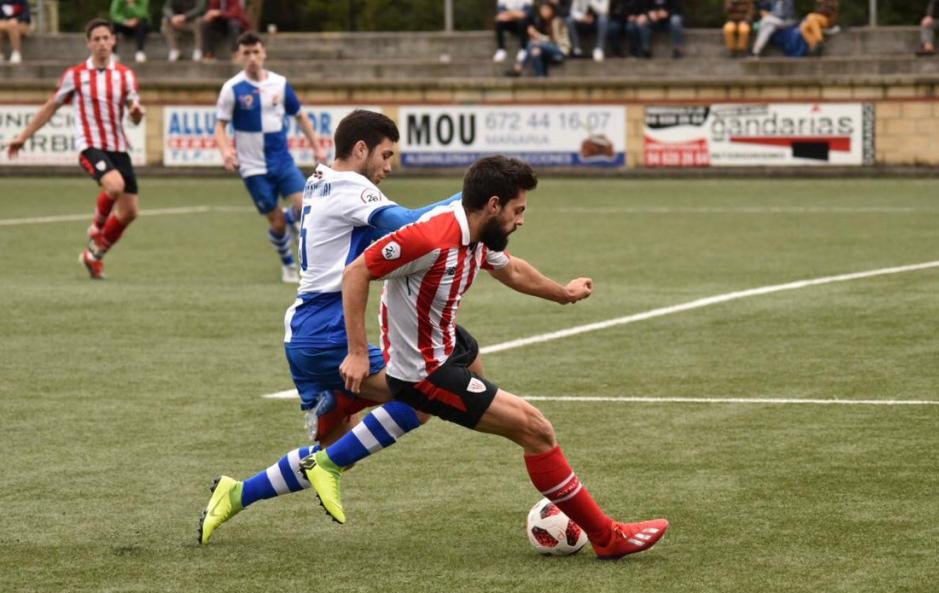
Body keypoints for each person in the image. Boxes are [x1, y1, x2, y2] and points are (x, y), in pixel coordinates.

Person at [301, 155, 670, 560]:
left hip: (445, 342)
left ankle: (345, 406)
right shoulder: (430, 237)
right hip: (425, 372)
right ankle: (607, 537)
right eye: (518, 210)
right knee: (535, 429)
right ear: (493, 205)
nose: (521, 220)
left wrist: (563, 294)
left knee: (476, 362)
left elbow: (510, 270)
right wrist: (357, 351)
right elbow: (357, 272)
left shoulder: (480, 235)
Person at [198, 110, 462, 545]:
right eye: (385, 155)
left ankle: (237, 493)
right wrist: (468, 199)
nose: (388, 167)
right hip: (328, 330)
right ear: (361, 149)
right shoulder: (350, 186)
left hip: (302, 332)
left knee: (337, 454)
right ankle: (339, 402)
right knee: (423, 399)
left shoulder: (318, 178)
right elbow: (414, 224)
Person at [7, 18, 145, 280]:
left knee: (130, 212)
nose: (102, 43)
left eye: (107, 38)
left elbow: (135, 114)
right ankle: (96, 227)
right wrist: (23, 136)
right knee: (114, 186)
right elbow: (51, 106)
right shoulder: (76, 75)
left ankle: (93, 256)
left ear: (114, 40)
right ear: (88, 44)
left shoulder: (126, 76)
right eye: (97, 39)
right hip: (90, 145)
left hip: (118, 147)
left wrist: (137, 113)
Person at [214, 31, 326, 283]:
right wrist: (226, 151)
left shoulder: (280, 83)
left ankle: (291, 219)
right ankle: (288, 263)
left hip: (282, 162)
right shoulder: (232, 89)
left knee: (306, 206)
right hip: (253, 168)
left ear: (264, 52)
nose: (252, 58)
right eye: (246, 53)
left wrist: (317, 148)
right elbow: (220, 126)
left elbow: (301, 117)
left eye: (256, 52)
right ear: (238, 56)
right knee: (276, 223)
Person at [507, 1, 570, 78]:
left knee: (532, 44)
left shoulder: (557, 21)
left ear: (552, 10)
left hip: (561, 49)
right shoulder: (541, 22)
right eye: (542, 10)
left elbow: (554, 40)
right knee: (535, 52)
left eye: (546, 9)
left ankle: (519, 67)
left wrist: (537, 35)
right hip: (547, 49)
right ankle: (541, 77)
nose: (544, 12)